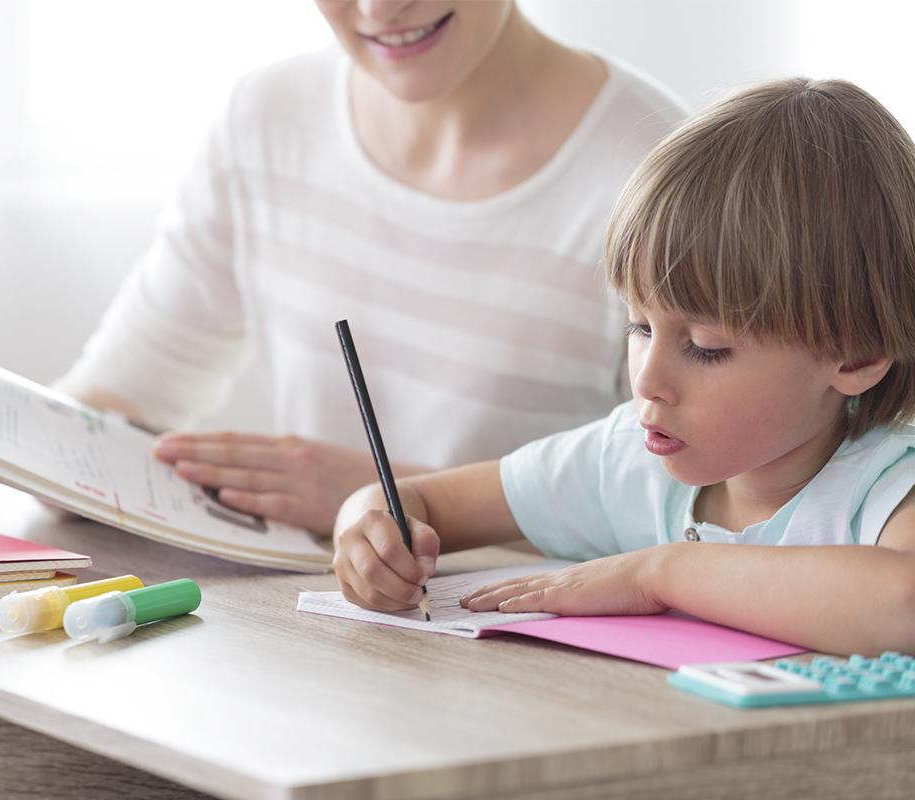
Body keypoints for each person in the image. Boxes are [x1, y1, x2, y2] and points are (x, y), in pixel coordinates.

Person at [54, 0, 689, 535]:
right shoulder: (266, 119)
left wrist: (390, 495)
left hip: (531, 652)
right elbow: (126, 387)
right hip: (312, 627)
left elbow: (700, 511)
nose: (378, 10)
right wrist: (40, 456)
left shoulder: (662, 177)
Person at [331, 77, 915, 656]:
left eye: (706, 347)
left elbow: (902, 606)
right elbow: (413, 501)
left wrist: (660, 573)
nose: (646, 381)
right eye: (639, 327)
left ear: (857, 355)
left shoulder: (889, 486)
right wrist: (369, 531)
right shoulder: (627, 460)